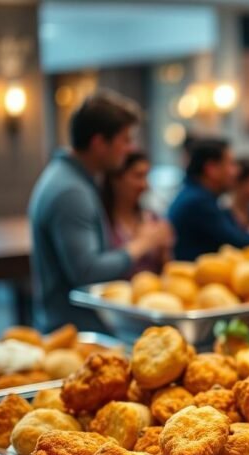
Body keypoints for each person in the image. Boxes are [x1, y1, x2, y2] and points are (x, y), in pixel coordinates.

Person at [29, 91, 172, 331]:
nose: (129, 149)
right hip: (75, 330)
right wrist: (142, 243)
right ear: (98, 143)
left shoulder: (70, 179)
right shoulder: (71, 191)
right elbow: (88, 272)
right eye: (125, 140)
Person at [168, 138, 249, 261]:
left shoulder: (199, 196)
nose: (236, 171)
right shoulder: (197, 202)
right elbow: (244, 246)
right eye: (231, 164)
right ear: (211, 169)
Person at [101, 151, 169, 276]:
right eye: (138, 176)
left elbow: (166, 270)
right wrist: (146, 242)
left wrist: (164, 251)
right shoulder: (101, 220)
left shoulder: (153, 219)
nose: (145, 185)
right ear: (116, 179)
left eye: (146, 176)